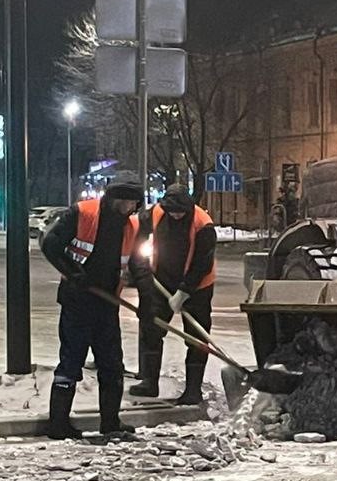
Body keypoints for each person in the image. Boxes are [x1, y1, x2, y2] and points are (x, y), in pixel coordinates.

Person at [40, 183, 143, 439]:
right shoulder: (83, 213)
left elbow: (139, 267)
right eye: (124, 202)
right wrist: (73, 273)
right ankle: (58, 424)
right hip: (77, 302)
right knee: (71, 362)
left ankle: (110, 422)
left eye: (132, 204)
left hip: (107, 305)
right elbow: (49, 244)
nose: (128, 208)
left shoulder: (131, 226)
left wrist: (150, 306)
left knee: (112, 365)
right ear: (113, 199)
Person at [129, 187, 216, 404]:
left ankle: (193, 390)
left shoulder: (203, 225)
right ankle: (149, 382)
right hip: (161, 282)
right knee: (151, 328)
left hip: (198, 287)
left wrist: (184, 291)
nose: (176, 215)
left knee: (197, 337)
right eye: (172, 212)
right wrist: (142, 274)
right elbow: (136, 238)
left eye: (180, 212)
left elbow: (202, 263)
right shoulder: (155, 213)